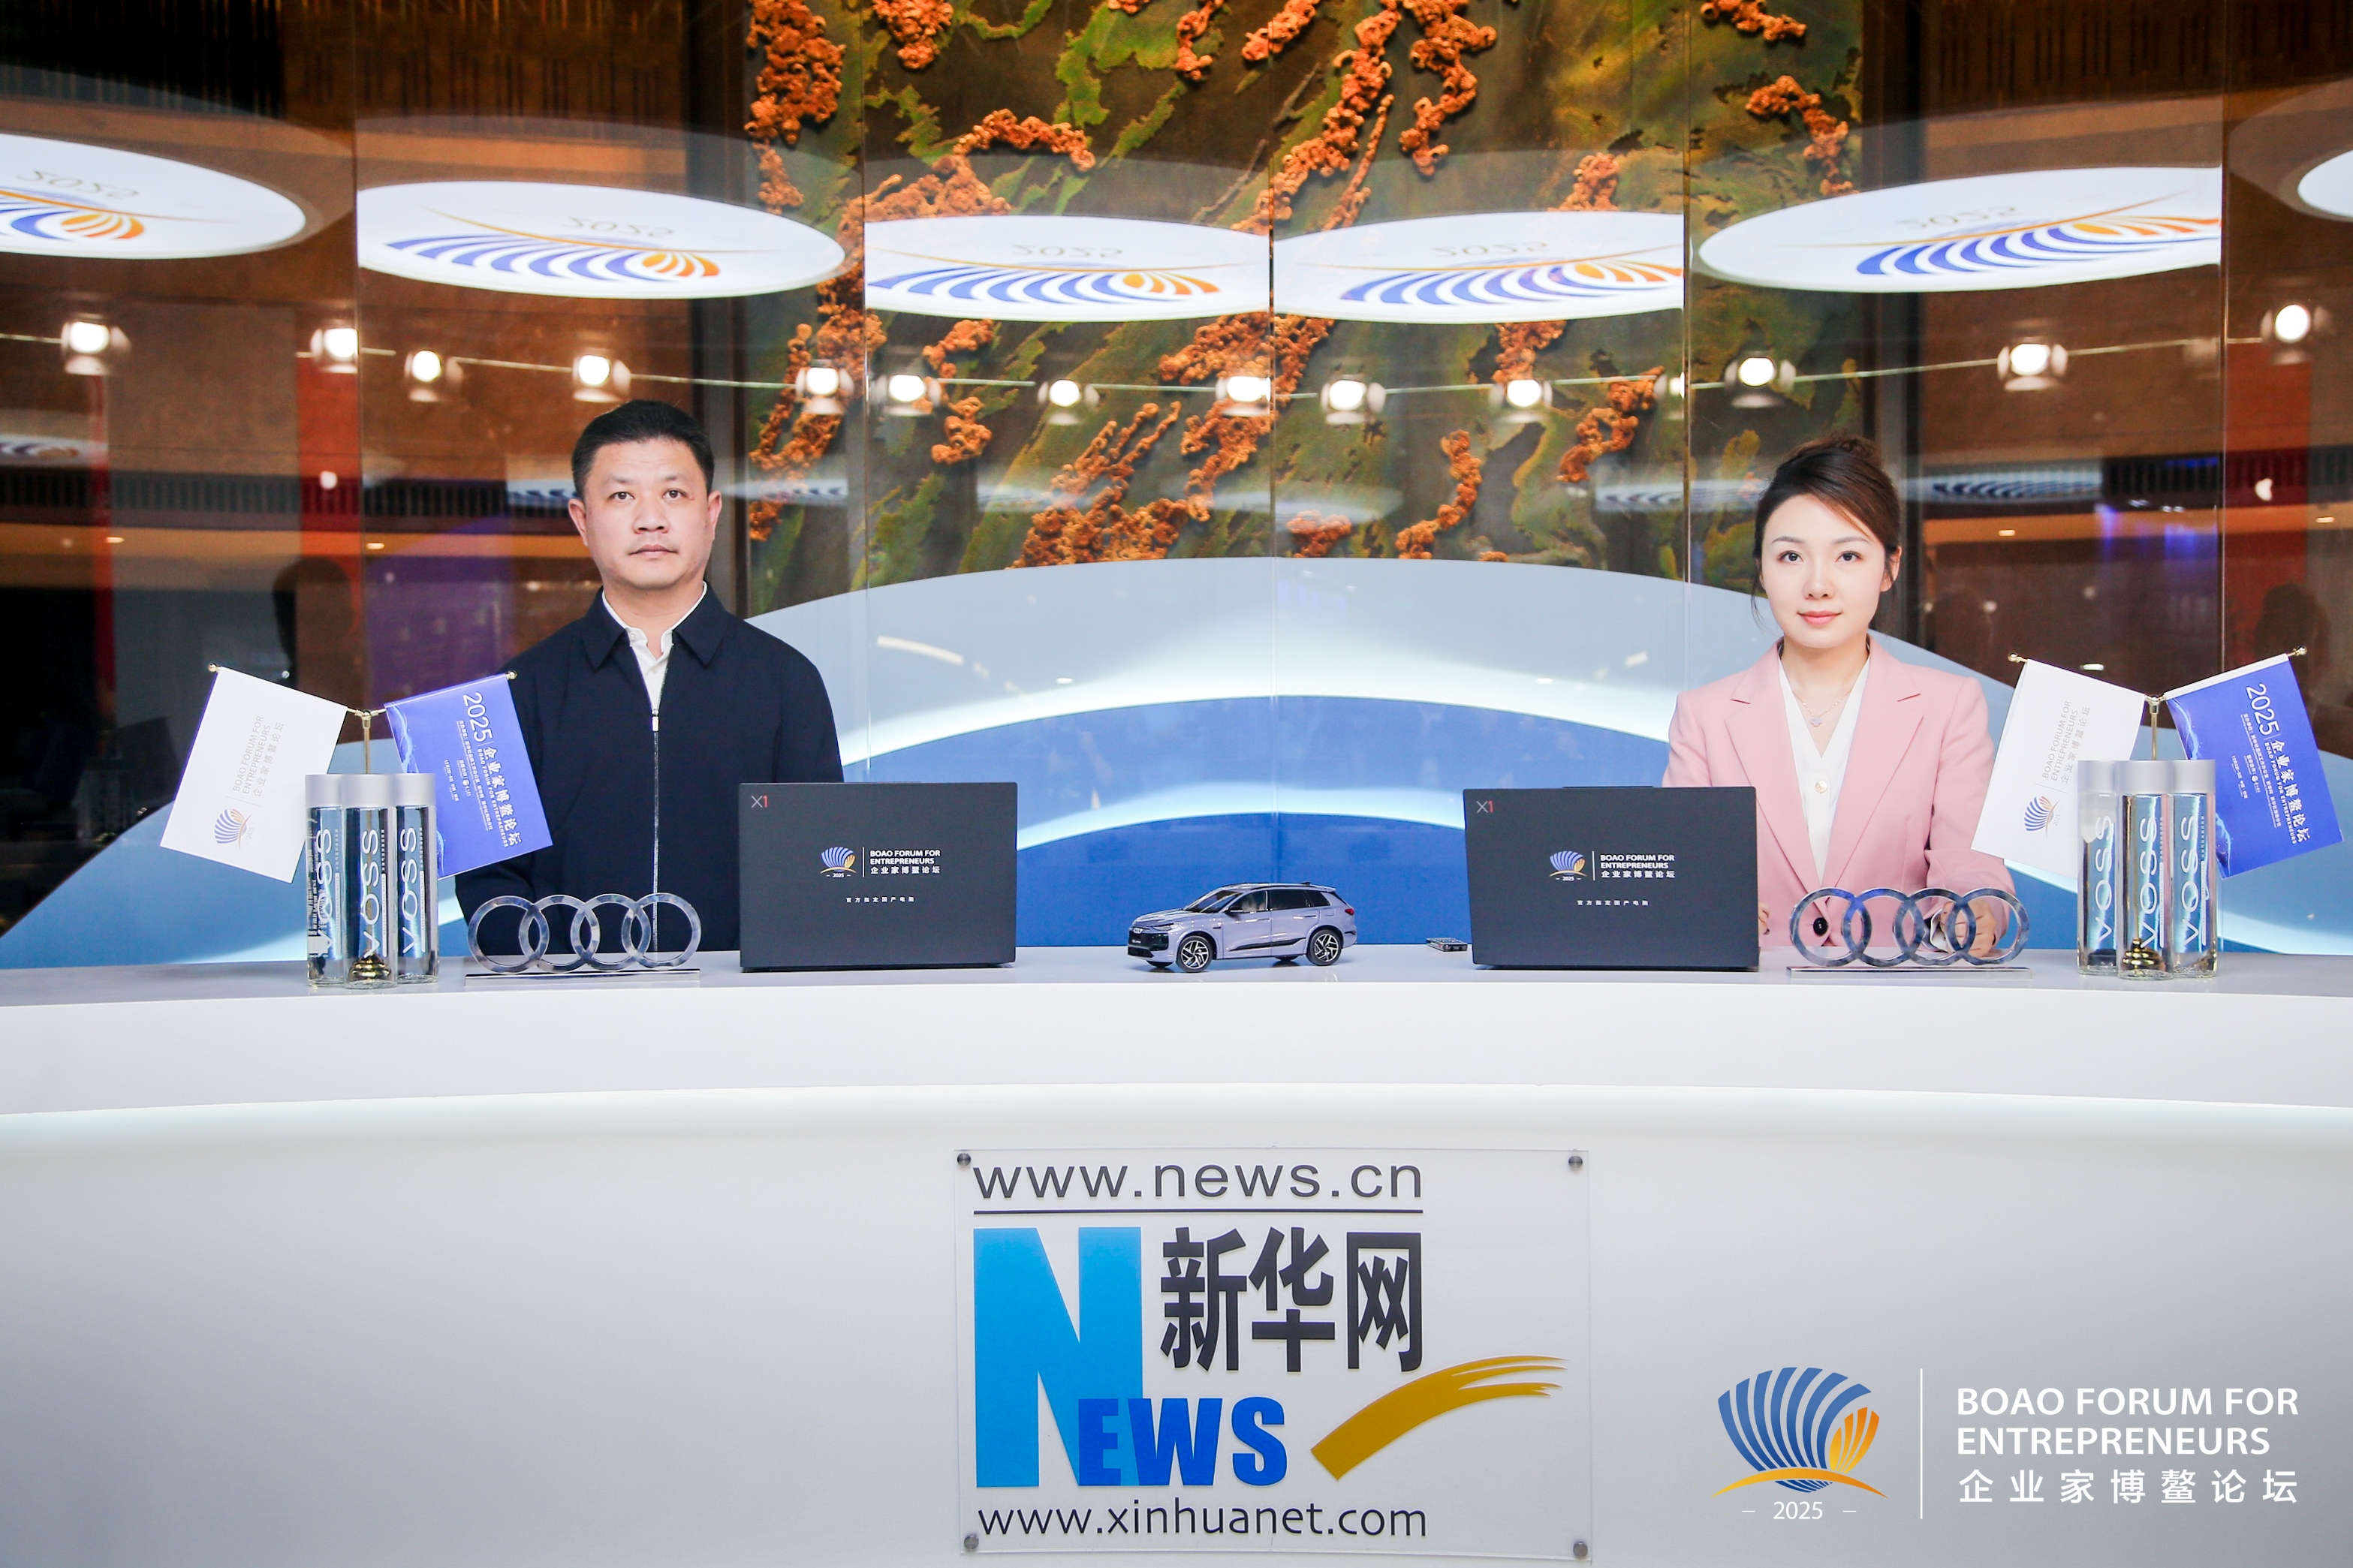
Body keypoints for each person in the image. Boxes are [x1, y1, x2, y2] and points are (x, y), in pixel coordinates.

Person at [458, 400, 841, 953]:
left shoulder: (787, 682)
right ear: (581, 520)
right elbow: (489, 885)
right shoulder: (520, 691)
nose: (650, 519)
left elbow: (817, 867)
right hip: (565, 998)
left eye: (674, 493)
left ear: (710, 513)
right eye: (622, 496)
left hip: (740, 998)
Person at [1662, 435, 2011, 950]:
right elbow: (1683, 870)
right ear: (1761, 567)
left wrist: (1973, 910)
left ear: (1890, 567)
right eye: (1791, 556)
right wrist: (1707, 905)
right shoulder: (1704, 716)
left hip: (1898, 989)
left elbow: (1970, 865)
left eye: (1848, 555)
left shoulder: (1949, 707)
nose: (1818, 585)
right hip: (1753, 990)